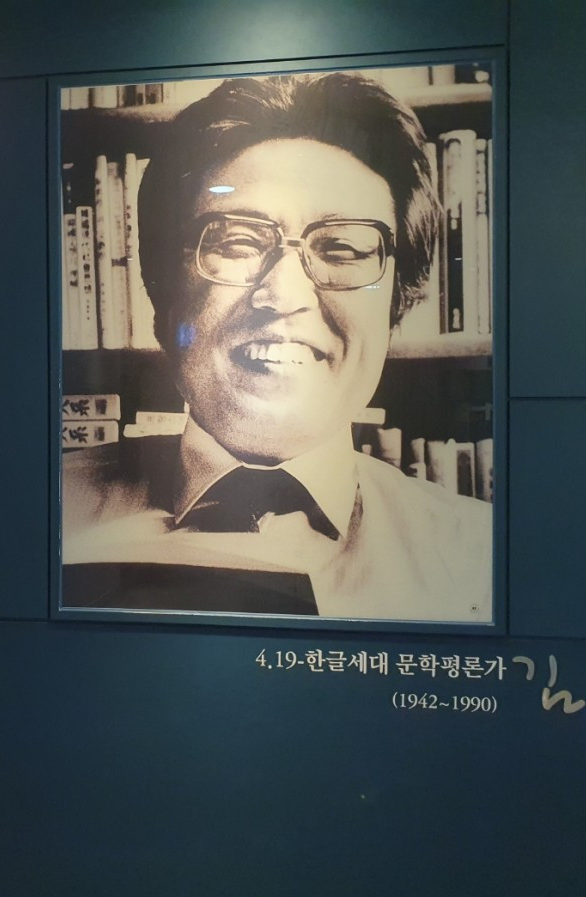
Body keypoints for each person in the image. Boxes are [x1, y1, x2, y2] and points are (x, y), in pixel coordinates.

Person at [62, 70, 492, 623]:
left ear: (396, 307)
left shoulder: (482, 561)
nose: (283, 295)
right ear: (161, 297)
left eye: (341, 248)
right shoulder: (31, 518)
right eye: (238, 242)